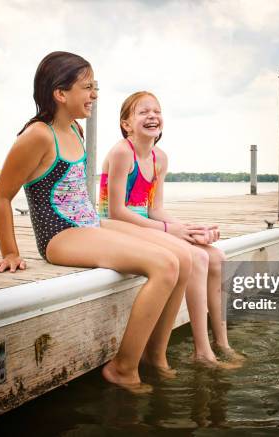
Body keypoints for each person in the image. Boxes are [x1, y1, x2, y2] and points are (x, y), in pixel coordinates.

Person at [0, 52, 192, 392]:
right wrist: (10, 252)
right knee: (165, 266)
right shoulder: (39, 135)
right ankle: (123, 368)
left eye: (94, 87)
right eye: (88, 87)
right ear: (60, 93)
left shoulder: (75, 129)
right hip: (61, 235)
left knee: (183, 258)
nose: (94, 94)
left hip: (89, 224)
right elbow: (0, 196)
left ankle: (155, 357)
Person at [99, 91, 245, 367]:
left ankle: (222, 343)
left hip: (149, 224)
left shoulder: (160, 158)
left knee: (216, 256)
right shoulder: (121, 152)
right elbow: (116, 211)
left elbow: (155, 208)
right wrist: (169, 230)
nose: (152, 116)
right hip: (118, 226)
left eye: (157, 111)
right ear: (126, 124)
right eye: (143, 112)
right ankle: (202, 352)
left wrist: (189, 228)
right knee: (198, 257)